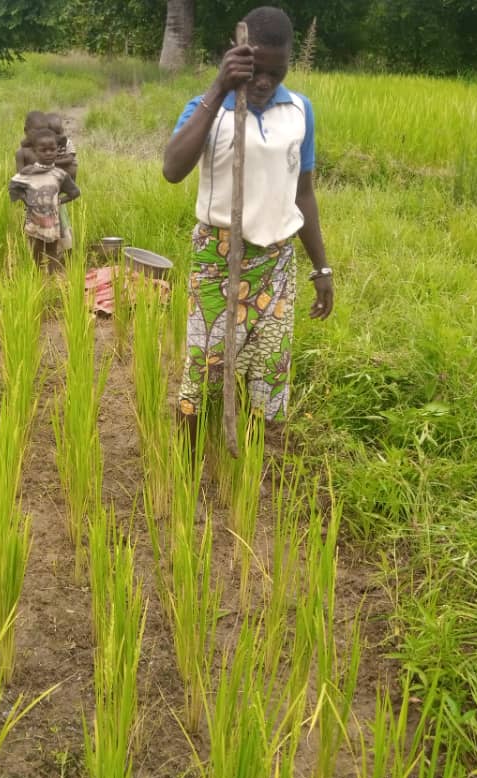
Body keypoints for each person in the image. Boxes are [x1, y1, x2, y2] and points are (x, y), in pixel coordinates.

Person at [162, 5, 334, 450]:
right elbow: (172, 168)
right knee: (204, 369)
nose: (264, 83)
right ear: (237, 56)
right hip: (218, 258)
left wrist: (322, 269)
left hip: (276, 261)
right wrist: (219, 88)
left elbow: (304, 194)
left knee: (269, 371)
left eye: (276, 74)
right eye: (256, 71)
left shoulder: (299, 111)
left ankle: (256, 461)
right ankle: (188, 464)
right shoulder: (209, 110)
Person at [8, 128, 81, 272]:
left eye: (52, 149)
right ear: (35, 151)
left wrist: (60, 201)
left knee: (52, 252)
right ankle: (37, 278)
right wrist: (27, 200)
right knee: (36, 252)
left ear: (57, 150)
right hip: (34, 222)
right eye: (43, 150)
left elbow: (74, 192)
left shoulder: (59, 174)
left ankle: (51, 279)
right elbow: (13, 188)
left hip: (52, 223)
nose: (49, 153)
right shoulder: (28, 173)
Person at [46, 112, 78, 253]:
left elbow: (70, 160)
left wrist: (53, 163)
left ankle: (67, 251)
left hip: (66, 175)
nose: (59, 137)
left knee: (61, 223)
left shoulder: (67, 143)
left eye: (60, 133)